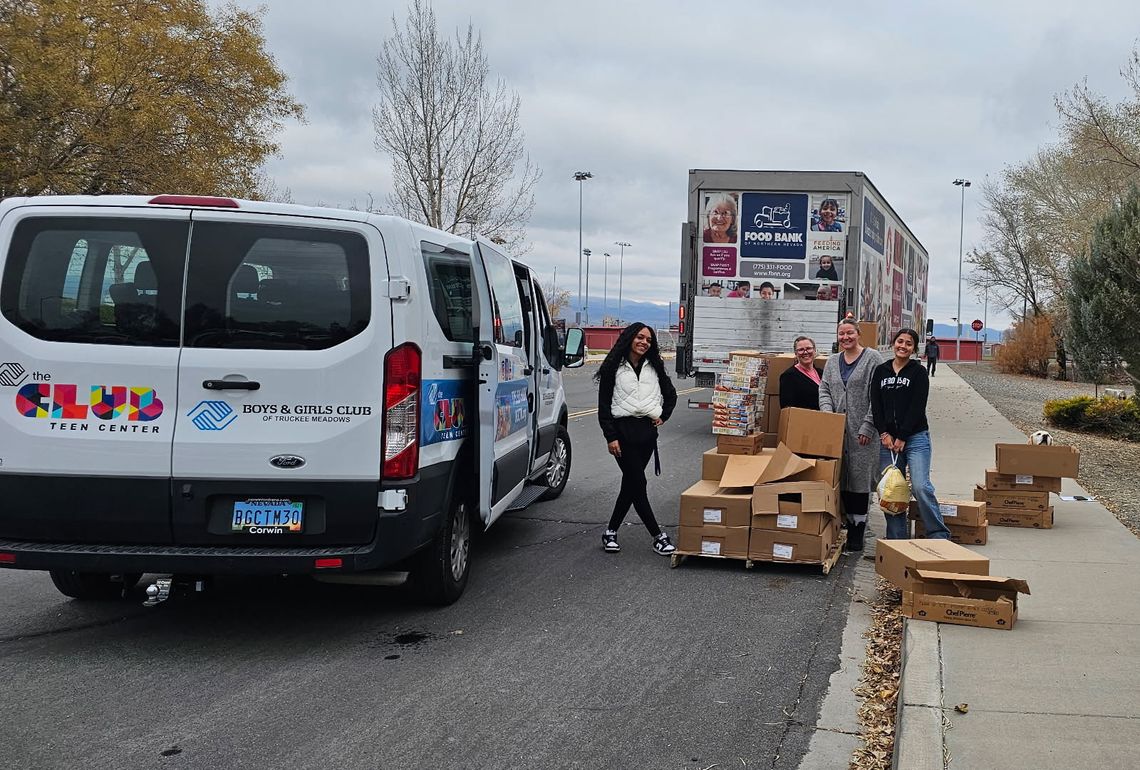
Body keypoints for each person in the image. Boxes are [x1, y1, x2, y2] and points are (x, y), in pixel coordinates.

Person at [596, 323, 678, 555]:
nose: (644, 342)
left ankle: (610, 531)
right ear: (630, 338)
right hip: (622, 433)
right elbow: (603, 406)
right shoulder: (613, 367)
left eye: (648, 340)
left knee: (631, 484)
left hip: (646, 434)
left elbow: (671, 395)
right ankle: (658, 536)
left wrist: (663, 416)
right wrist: (610, 437)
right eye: (640, 337)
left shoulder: (654, 367)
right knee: (638, 484)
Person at [870, 328, 949, 540]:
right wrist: (883, 433)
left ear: (914, 348)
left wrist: (903, 436)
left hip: (915, 438)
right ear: (893, 343)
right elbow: (876, 406)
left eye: (908, 343)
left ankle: (939, 534)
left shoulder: (918, 372)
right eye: (900, 341)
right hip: (887, 441)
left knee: (921, 487)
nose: (903, 346)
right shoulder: (881, 371)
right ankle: (897, 541)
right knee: (892, 489)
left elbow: (917, 406)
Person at [818, 318, 885, 551]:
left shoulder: (873, 358)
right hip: (837, 431)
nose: (845, 338)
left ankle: (858, 529)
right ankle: (845, 524)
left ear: (858, 334)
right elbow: (824, 388)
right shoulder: (832, 361)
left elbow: (878, 397)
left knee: (859, 481)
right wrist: (828, 415)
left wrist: (868, 426)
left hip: (862, 432)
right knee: (841, 478)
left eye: (850, 333)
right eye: (841, 334)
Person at [779, 336, 823, 410]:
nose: (805, 352)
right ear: (796, 353)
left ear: (814, 350)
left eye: (808, 348)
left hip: (824, 418)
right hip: (803, 420)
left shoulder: (822, 373)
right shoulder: (789, 376)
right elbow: (787, 408)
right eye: (801, 350)